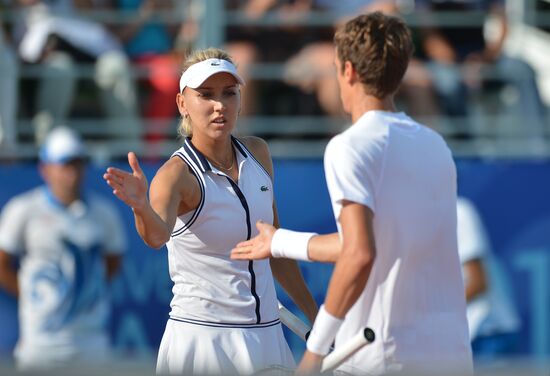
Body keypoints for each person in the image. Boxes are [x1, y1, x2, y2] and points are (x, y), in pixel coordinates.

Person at [231, 12, 473, 375]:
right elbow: (368, 243)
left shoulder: (349, 147)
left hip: (384, 357)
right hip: (452, 354)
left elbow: (358, 252)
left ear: (348, 72)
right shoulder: (436, 145)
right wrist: (279, 242)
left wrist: (314, 351)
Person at [103, 47, 318, 375]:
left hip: (267, 337)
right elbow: (156, 236)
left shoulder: (258, 152)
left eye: (229, 94)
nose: (219, 105)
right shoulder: (175, 175)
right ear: (182, 104)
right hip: (203, 342)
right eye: (205, 95)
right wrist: (140, 207)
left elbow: (273, 248)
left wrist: (317, 319)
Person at [0, 126, 126, 370]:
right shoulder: (23, 210)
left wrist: (82, 293)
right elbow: (2, 262)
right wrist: (32, 295)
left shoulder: (104, 214)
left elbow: (113, 262)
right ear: (45, 169)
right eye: (65, 164)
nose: (73, 172)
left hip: (92, 344)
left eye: (78, 164)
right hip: (40, 345)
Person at [12, 0, 141, 145]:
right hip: (46, 57)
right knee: (61, 69)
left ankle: (129, 150)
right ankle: (45, 149)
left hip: (93, 52)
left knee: (116, 66)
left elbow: (107, 30)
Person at [457, 197, 521, 361]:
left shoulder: (459, 211)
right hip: (469, 338)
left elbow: (478, 283)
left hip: (489, 336)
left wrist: (437, 312)